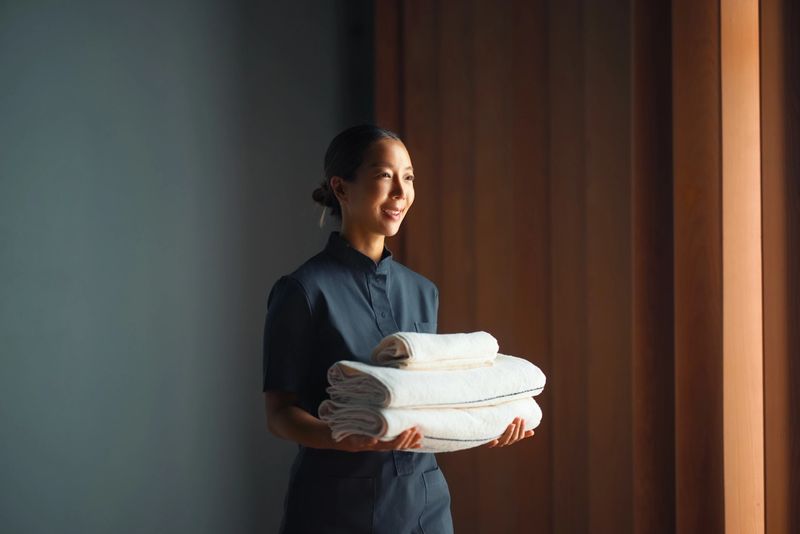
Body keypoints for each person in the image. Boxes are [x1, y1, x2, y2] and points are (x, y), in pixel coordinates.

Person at [262, 124, 534, 533]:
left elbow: (433, 399)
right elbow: (280, 415)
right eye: (384, 176)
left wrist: (485, 423)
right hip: (338, 508)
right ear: (341, 187)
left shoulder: (423, 291)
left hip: (424, 505)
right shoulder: (302, 291)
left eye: (408, 177)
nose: (400, 192)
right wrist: (342, 436)